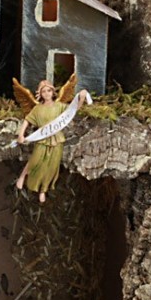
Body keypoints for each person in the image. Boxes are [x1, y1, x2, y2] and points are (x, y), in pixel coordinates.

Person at [12, 75, 89, 204]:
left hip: (57, 139)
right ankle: (22, 176)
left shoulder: (59, 106)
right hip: (42, 139)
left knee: (51, 167)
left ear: (53, 92)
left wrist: (81, 97)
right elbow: (27, 120)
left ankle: (43, 190)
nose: (47, 93)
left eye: (48, 90)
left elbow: (73, 110)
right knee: (35, 160)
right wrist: (21, 134)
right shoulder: (37, 108)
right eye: (44, 91)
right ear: (40, 94)